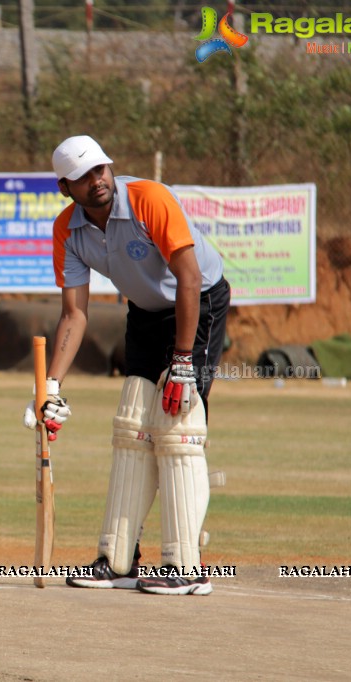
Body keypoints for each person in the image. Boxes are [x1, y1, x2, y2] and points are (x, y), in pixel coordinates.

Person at [24, 135, 230, 595]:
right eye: (82, 177)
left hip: (199, 301)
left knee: (175, 425)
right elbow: (75, 314)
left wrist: (182, 362)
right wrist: (51, 386)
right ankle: (119, 560)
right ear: (65, 187)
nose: (96, 182)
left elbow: (191, 278)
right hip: (144, 311)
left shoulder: (148, 199)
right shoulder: (68, 231)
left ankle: (186, 566)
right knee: (133, 423)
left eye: (100, 170)